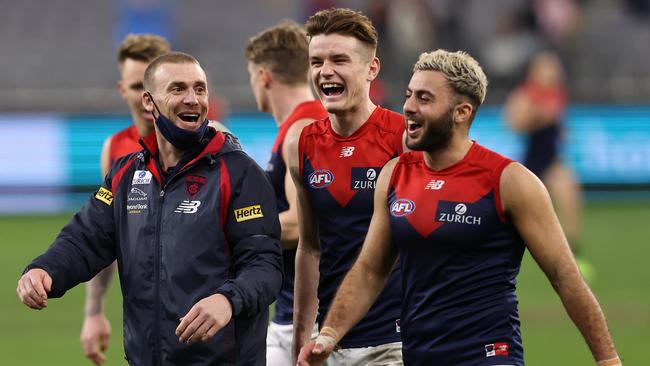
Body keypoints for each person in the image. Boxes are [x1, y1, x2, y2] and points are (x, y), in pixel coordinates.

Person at [297, 50, 621, 366]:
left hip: (489, 355)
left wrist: (607, 359)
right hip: (416, 356)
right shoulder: (394, 175)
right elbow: (369, 270)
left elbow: (565, 277)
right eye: (409, 95)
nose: (408, 107)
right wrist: (329, 333)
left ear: (461, 112)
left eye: (425, 99)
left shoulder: (509, 181)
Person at [17, 52, 283, 366]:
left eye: (200, 89)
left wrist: (228, 299)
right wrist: (44, 270)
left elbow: (265, 266)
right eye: (178, 89)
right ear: (148, 102)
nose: (193, 99)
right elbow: (85, 239)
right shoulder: (126, 174)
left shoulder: (239, 172)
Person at [287, 8, 405, 366]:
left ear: (372, 69)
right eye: (316, 61)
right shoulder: (302, 143)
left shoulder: (404, 138)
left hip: (397, 341)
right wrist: (300, 342)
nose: (325, 71)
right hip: (330, 343)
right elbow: (310, 249)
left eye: (339, 59)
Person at [81, 33, 171, 366]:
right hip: (143, 324)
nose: (146, 97)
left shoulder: (210, 141)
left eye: (153, 85)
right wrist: (94, 312)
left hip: (205, 316)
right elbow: (106, 236)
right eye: (137, 87)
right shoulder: (115, 151)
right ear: (123, 90)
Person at [245, 20, 328, 365]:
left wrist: (232, 233)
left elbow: (298, 224)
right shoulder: (298, 125)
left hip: (310, 313)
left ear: (263, 76)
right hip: (291, 305)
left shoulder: (304, 128)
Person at [504, 50, 593, 280]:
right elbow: (513, 123)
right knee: (518, 214)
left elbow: (559, 126)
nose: (552, 73)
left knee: (570, 195)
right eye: (547, 68)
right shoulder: (525, 95)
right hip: (530, 164)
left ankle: (574, 255)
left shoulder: (558, 95)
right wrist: (540, 116)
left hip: (553, 162)